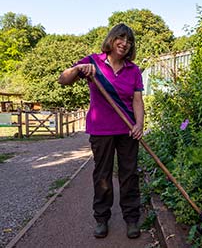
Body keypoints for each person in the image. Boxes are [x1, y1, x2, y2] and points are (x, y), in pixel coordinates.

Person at [58, 23, 144, 239]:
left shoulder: (133, 70)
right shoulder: (93, 62)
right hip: (101, 130)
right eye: (121, 38)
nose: (125, 43)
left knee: (129, 174)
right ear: (112, 39)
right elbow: (63, 80)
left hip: (127, 130)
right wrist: (78, 69)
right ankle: (101, 218)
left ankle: (132, 219)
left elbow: (137, 100)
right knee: (102, 175)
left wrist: (139, 124)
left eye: (129, 40)